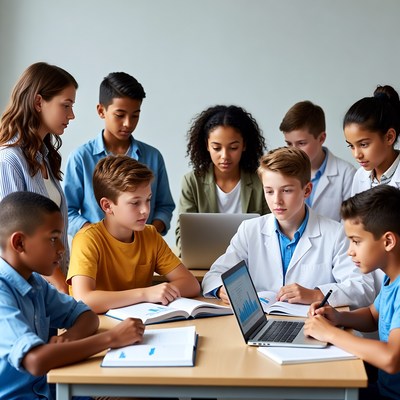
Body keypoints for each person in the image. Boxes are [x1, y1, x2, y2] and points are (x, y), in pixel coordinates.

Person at [0, 191, 145, 400]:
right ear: (19, 243)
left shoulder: (34, 281)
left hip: (52, 390)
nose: (61, 249)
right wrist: (113, 337)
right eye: (53, 239)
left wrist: (67, 339)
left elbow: (86, 315)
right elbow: (35, 360)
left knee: (140, 392)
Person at [202, 147, 375, 308]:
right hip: (263, 323)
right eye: (269, 191)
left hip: (312, 325)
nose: (277, 200)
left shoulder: (335, 233)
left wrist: (315, 295)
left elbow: (362, 287)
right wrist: (220, 289)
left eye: (286, 191)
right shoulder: (250, 230)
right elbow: (215, 275)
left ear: (306, 190)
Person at [67, 155, 200, 314]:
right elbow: (84, 299)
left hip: (141, 322)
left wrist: (158, 292)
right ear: (107, 205)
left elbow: (191, 284)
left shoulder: (150, 235)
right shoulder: (87, 239)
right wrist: (145, 294)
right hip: (99, 327)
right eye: (135, 202)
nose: (145, 210)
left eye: (148, 200)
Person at [305, 185, 400, 400]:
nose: (350, 251)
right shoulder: (392, 276)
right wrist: (338, 316)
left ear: (387, 241)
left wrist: (330, 334)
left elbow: (391, 359)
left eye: (356, 241)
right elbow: (373, 316)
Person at [64, 71, 175, 237]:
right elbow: (67, 212)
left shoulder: (153, 157)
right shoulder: (81, 158)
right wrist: (100, 237)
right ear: (101, 111)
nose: (128, 123)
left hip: (143, 254)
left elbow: (164, 207)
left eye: (135, 115)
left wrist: (148, 234)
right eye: (120, 115)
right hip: (98, 251)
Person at [0, 61, 77, 294]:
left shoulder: (44, 157)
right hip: (28, 291)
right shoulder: (9, 161)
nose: (72, 115)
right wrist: (59, 283)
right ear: (38, 102)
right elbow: (19, 235)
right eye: (66, 105)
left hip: (51, 287)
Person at [176, 104, 269, 251]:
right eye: (216, 148)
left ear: (244, 145)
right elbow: (182, 239)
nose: (225, 156)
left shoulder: (262, 181)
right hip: (206, 265)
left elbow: (272, 233)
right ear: (206, 145)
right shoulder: (192, 182)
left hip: (251, 262)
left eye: (233, 148)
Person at [344, 85, 400, 292]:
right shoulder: (360, 177)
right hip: (372, 283)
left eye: (364, 144)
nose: (356, 154)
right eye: (350, 145)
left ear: (389, 137)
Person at [280, 100, 355, 222]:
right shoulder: (281, 172)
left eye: (301, 143)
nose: (293, 151)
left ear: (321, 138)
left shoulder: (347, 174)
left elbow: (350, 224)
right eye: (289, 143)